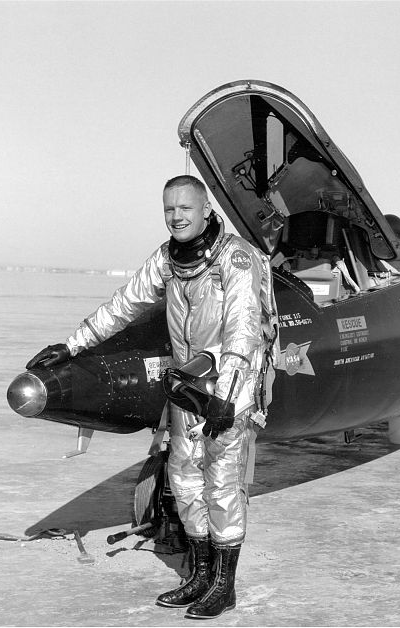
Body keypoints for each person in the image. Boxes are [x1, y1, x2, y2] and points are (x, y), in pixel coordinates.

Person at [26, 175, 276, 620]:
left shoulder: (234, 258)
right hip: (186, 385)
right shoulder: (168, 258)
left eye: (185, 208)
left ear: (204, 210)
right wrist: (72, 345)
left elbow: (243, 328)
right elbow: (125, 303)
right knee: (183, 477)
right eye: (168, 209)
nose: (176, 216)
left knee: (221, 485)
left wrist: (229, 395)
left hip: (226, 386)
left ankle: (224, 585)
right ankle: (199, 575)